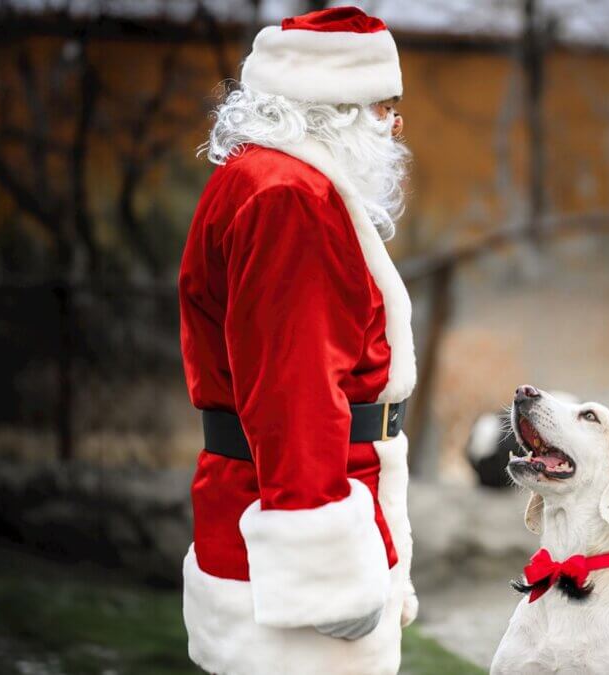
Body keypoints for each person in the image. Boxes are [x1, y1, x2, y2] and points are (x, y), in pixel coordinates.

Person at [177, 7, 417, 674]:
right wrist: (327, 577)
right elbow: (294, 388)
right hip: (301, 529)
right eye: (382, 107)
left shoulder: (257, 179)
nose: (395, 126)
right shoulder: (292, 199)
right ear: (334, 107)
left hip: (265, 508)